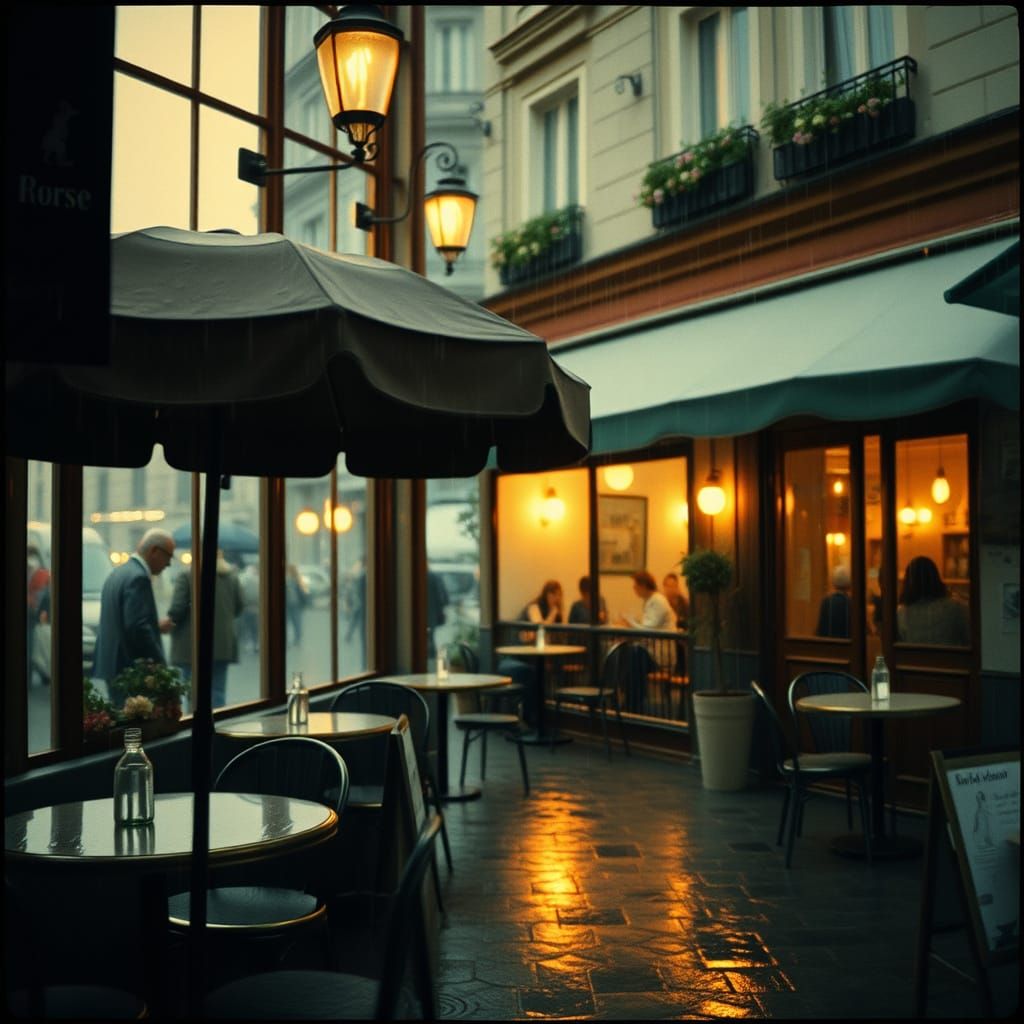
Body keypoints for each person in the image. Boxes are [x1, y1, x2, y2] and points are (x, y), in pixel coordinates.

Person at [94, 527, 175, 706]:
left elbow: (124, 620)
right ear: (154, 551)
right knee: (134, 728)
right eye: (168, 556)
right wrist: (160, 663)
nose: (168, 564)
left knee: (123, 722)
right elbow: (137, 627)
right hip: (129, 668)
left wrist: (155, 626)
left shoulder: (118, 573)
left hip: (113, 664)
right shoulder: (138, 578)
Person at [163, 549, 245, 708]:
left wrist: (168, 622)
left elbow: (177, 609)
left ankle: (198, 730)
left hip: (192, 645)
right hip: (223, 644)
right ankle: (218, 727)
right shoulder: (232, 577)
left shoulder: (188, 576)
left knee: (194, 694)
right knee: (218, 691)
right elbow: (239, 607)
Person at [896, 555, 970, 646]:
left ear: (908, 583)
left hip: (914, 660)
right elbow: (970, 642)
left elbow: (895, 652)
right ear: (935, 579)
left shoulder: (901, 614)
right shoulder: (955, 609)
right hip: (949, 660)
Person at [816, 564, 851, 638]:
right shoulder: (851, 602)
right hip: (848, 647)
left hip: (830, 646)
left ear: (833, 582)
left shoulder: (826, 601)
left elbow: (821, 629)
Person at [426, 568, 450, 659]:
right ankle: (431, 658)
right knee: (430, 638)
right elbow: (443, 597)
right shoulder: (434, 577)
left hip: (429, 613)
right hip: (432, 614)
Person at [285, 563, 309, 647]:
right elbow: (305, 591)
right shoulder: (298, 579)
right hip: (296, 604)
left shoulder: (287, 579)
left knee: (288, 623)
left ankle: (289, 641)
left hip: (288, 604)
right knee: (297, 623)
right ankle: (297, 640)